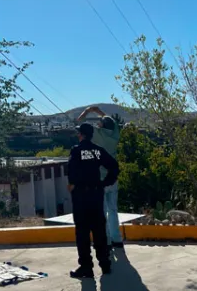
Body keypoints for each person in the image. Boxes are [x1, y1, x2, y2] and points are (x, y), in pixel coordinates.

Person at [67, 123, 119, 279]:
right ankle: (105, 264)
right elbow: (114, 166)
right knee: (99, 230)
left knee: (82, 233)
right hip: (96, 195)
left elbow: (71, 173)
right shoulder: (98, 151)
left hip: (82, 197)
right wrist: (105, 183)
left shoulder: (76, 151)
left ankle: (86, 268)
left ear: (81, 135)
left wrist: (73, 186)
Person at [77, 105, 123, 248]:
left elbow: (80, 121)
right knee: (113, 210)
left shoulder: (97, 133)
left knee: (101, 212)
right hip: (112, 178)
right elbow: (111, 122)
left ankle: (106, 240)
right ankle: (117, 239)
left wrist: (88, 111)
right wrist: (98, 112)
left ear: (102, 125)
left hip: (100, 178)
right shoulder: (115, 134)